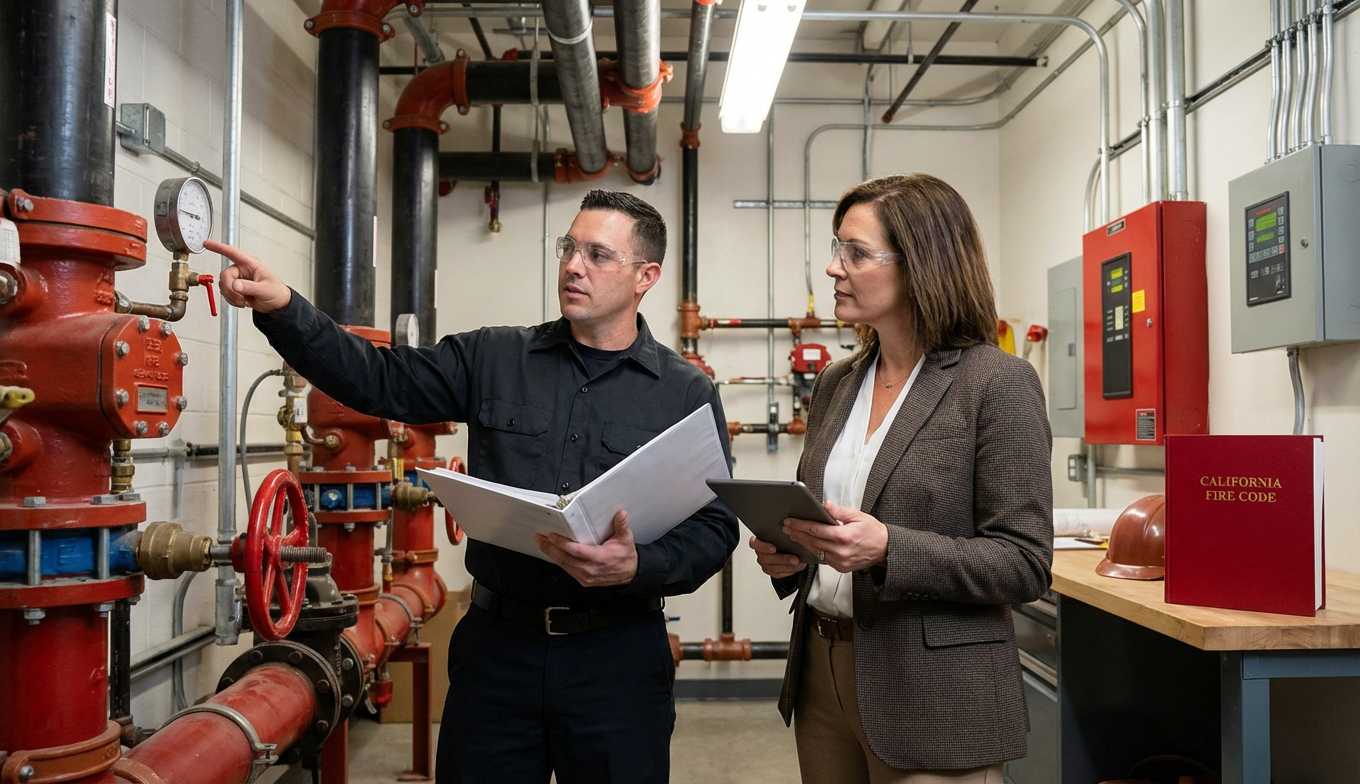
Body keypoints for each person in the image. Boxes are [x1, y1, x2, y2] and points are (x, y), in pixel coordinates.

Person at [209, 190, 739, 784]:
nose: (572, 265)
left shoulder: (683, 394)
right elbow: (380, 380)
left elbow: (716, 528)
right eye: (568, 248)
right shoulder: (494, 356)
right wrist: (285, 309)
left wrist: (637, 564)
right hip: (498, 652)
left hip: (616, 659)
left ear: (647, 276)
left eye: (597, 254)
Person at [749, 174, 1053, 783]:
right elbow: (834, 519)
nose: (834, 268)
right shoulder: (839, 382)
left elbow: (1023, 563)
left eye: (856, 253)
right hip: (822, 670)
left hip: (934, 691)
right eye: (838, 248)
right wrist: (794, 551)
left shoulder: (995, 383)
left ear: (921, 266)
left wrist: (889, 548)